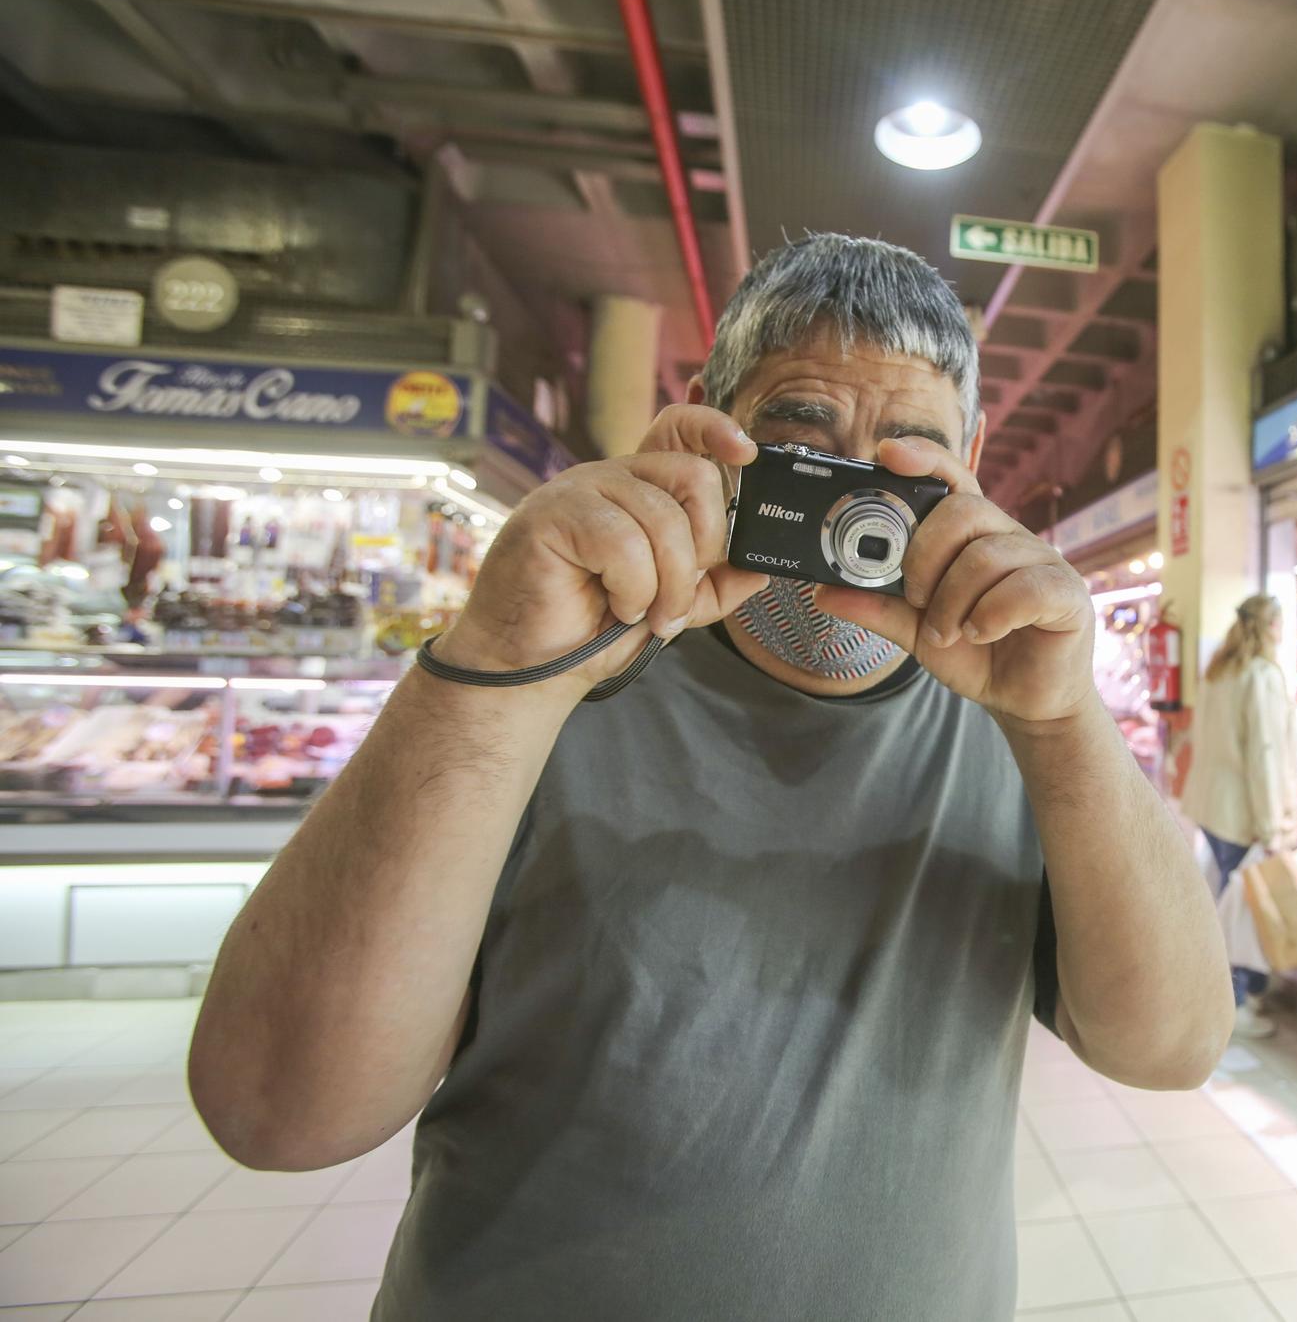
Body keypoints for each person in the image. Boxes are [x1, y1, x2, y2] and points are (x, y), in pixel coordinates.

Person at [187, 234, 1234, 1321]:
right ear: (709, 429)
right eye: (803, 447)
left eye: (907, 457)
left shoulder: (1018, 718)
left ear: (972, 456)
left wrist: (1066, 723)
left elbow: (1171, 1047)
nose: (853, 515)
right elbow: (278, 1112)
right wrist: (492, 670)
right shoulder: (548, 684)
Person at [1179, 594, 1297, 1040]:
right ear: (1271, 627)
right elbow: (1265, 756)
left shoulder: (1219, 671)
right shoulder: (1261, 676)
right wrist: (1272, 826)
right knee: (1240, 916)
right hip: (1244, 816)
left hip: (1212, 807)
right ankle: (1231, 1009)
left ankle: (1218, 1001)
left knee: (1226, 908)